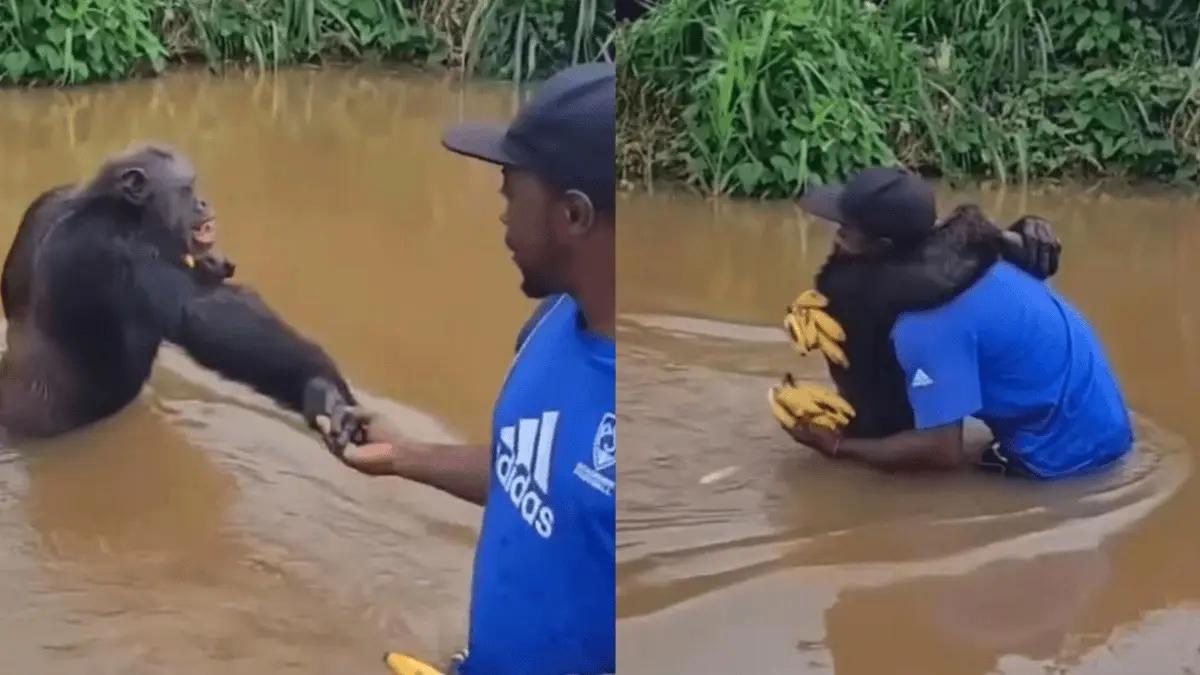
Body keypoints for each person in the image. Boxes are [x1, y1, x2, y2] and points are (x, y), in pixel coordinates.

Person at [332, 62, 616, 675]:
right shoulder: (548, 326)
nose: (501, 213)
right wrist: (403, 456)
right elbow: (532, 476)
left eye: (512, 191)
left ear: (574, 215)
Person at [782, 166, 1134, 479]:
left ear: (881, 246)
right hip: (1094, 413)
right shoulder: (974, 255)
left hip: (1068, 456)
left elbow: (941, 451)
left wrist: (837, 447)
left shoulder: (924, 324)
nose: (836, 239)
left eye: (845, 232)